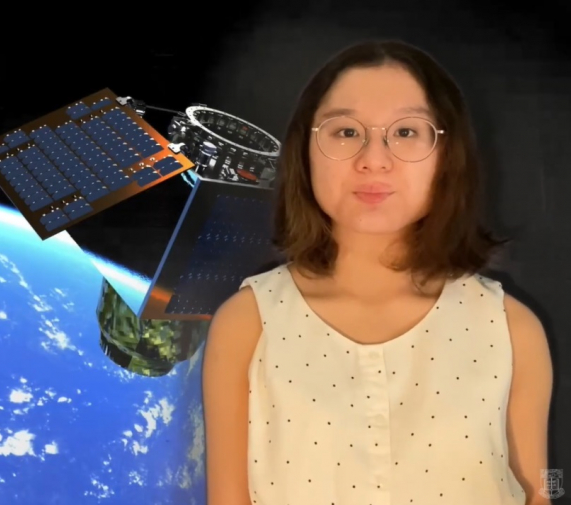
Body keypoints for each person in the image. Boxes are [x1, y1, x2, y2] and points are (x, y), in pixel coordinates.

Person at [202, 40, 554, 505]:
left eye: (406, 132)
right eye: (346, 132)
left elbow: (543, 487)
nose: (374, 159)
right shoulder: (248, 323)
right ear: (305, 150)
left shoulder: (511, 328)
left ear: (447, 154)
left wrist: (554, 487)